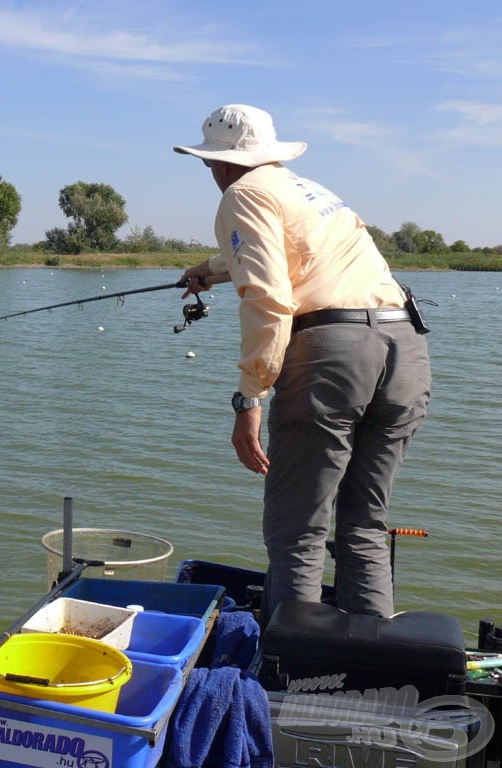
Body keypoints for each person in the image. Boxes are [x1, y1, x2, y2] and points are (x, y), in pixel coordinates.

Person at [173, 104, 431, 626]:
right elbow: (294, 256)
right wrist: (210, 271)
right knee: (364, 523)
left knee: (298, 529)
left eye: (207, 164)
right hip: (405, 347)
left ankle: (293, 672)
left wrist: (250, 399)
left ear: (220, 163)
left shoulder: (241, 194)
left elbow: (269, 299)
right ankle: (372, 665)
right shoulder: (309, 191)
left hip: (334, 355)